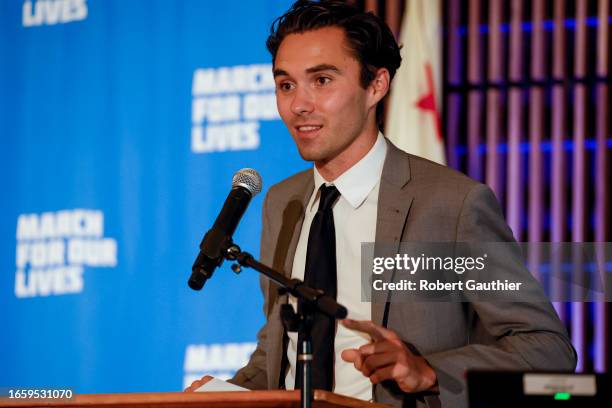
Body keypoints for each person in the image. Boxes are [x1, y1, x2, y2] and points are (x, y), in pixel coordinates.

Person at [186, 1, 576, 406]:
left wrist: (427, 371)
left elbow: (545, 349)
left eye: (321, 81)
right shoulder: (283, 203)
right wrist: (229, 393)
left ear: (376, 85)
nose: (298, 105)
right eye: (286, 85)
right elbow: (280, 351)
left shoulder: (451, 206)